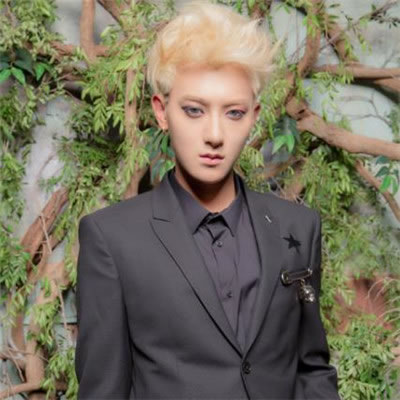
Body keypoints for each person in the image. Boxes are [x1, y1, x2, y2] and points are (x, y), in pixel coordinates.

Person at [74, 1, 341, 399]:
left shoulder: (298, 228)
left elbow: (312, 369)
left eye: (233, 113)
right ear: (162, 111)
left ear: (253, 117)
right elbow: (104, 391)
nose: (214, 135)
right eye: (194, 110)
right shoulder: (112, 238)